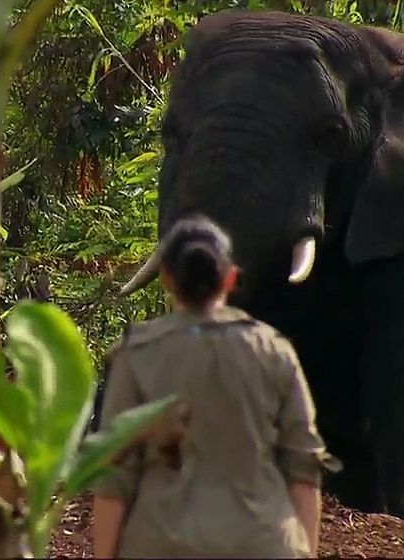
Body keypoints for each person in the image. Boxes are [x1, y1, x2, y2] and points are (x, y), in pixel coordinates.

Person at [92, 214, 339, 559]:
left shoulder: (137, 355)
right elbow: (304, 471)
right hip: (263, 543)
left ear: (166, 278)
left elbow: (114, 480)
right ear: (230, 278)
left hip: (163, 545)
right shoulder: (274, 352)